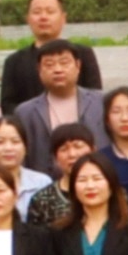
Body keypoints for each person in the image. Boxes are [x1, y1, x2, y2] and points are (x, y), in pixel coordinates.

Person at [0, 0, 104, 112]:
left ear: (63, 18)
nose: (43, 17)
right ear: (28, 19)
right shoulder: (14, 61)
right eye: (37, 12)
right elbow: (8, 106)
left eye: (50, 12)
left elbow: (94, 97)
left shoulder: (83, 54)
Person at [12, 40, 108, 172]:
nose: (58, 69)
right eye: (49, 64)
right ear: (39, 70)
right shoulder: (25, 112)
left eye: (64, 63)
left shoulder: (102, 102)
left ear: (78, 66)